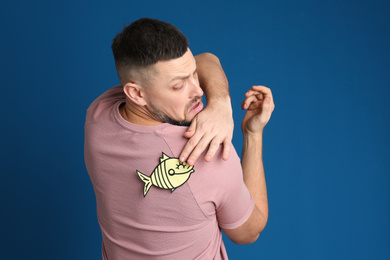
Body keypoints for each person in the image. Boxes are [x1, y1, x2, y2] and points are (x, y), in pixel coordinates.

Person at [84, 18, 274, 259]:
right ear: (136, 93)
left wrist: (219, 104)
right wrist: (252, 133)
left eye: (193, 75)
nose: (198, 91)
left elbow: (204, 59)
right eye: (179, 85)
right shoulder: (206, 154)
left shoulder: (98, 116)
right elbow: (248, 233)